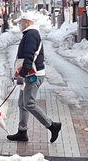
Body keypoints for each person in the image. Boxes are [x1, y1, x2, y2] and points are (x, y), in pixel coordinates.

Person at [6, 13, 62, 144]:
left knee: (29, 103)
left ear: (26, 21)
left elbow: (29, 56)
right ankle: (22, 131)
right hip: (30, 74)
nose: (19, 24)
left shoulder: (31, 35)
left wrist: (22, 74)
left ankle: (52, 126)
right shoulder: (30, 34)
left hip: (33, 75)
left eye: (20, 22)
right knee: (22, 103)